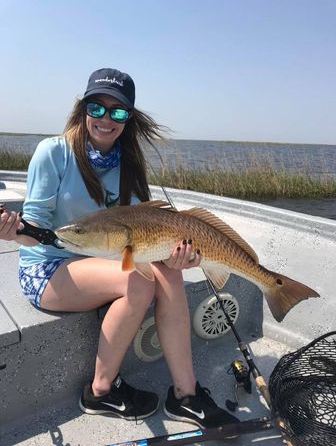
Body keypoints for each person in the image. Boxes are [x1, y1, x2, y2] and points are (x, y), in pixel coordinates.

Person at [0, 68, 239, 429]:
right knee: (139, 283)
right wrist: (14, 233)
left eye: (119, 111)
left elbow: (145, 230)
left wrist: (181, 257)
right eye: (96, 107)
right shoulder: (54, 152)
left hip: (103, 257)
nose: (106, 118)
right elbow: (36, 228)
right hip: (49, 267)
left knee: (170, 275)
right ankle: (100, 391)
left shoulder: (129, 163)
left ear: (129, 119)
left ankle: (186, 395)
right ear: (83, 109)